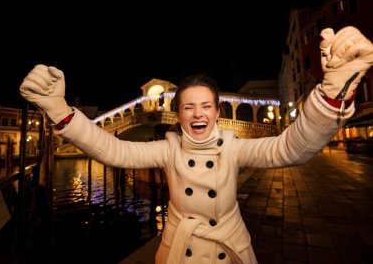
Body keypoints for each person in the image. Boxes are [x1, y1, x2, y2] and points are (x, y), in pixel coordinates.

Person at [20, 26, 373, 263]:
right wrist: (60, 111)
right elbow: (114, 149)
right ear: (178, 114)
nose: (197, 113)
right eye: (188, 106)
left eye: (206, 105)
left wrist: (332, 93)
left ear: (218, 112)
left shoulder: (234, 147)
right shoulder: (169, 148)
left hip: (230, 253)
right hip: (178, 254)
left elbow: (292, 148)